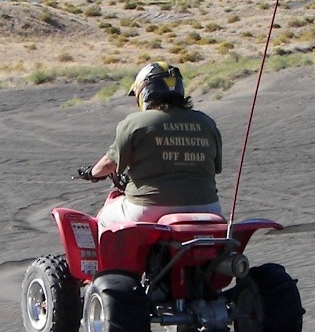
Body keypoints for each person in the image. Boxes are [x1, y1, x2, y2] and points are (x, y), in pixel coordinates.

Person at [78, 62, 222, 235]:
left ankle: (105, 263)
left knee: (105, 217)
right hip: (208, 207)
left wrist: (91, 173)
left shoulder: (136, 123)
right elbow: (216, 167)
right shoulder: (206, 123)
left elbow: (109, 163)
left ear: (144, 90)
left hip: (149, 207)